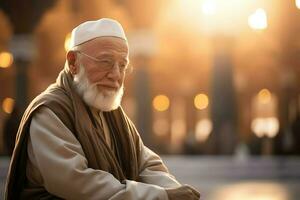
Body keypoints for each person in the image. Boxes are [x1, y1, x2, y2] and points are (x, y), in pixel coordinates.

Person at [5, 18, 200, 200]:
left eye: (122, 65)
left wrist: (173, 190)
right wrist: (162, 196)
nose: (115, 75)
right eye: (105, 61)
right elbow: (78, 182)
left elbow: (146, 164)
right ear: (73, 62)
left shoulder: (113, 114)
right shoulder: (51, 111)